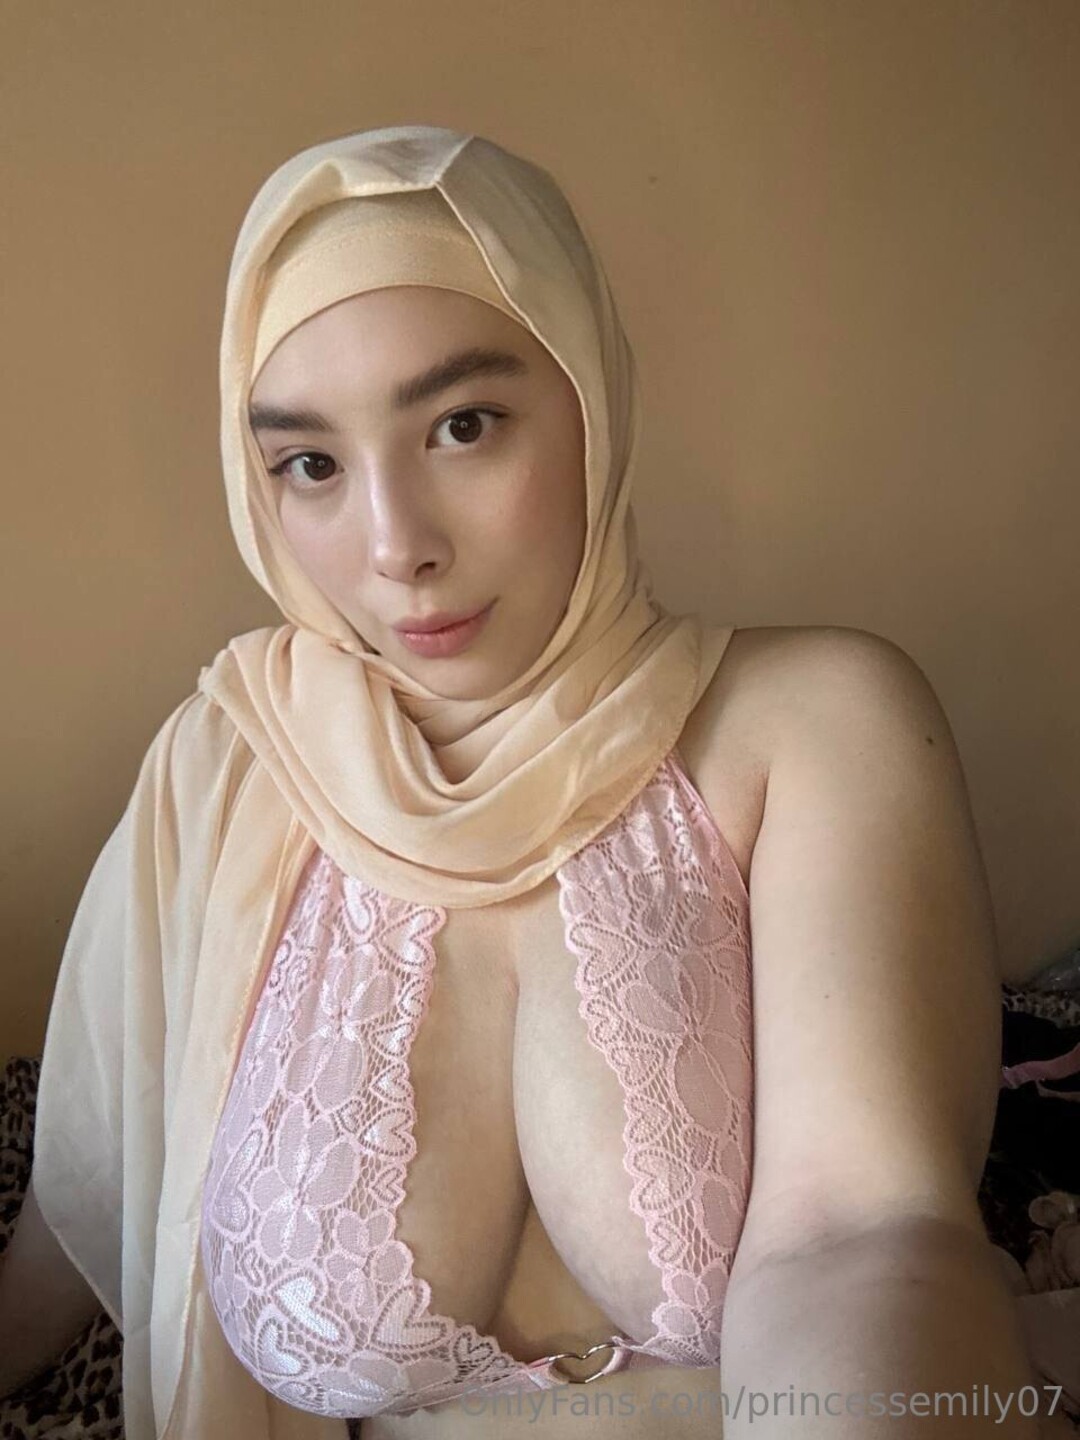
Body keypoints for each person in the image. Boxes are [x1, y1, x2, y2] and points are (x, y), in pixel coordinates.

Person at [1, 124, 1072, 1440]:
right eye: (311, 465)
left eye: (464, 425)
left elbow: (866, 1233)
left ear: (592, 402)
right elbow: (91, 1177)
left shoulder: (812, 723)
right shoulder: (218, 774)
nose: (397, 547)